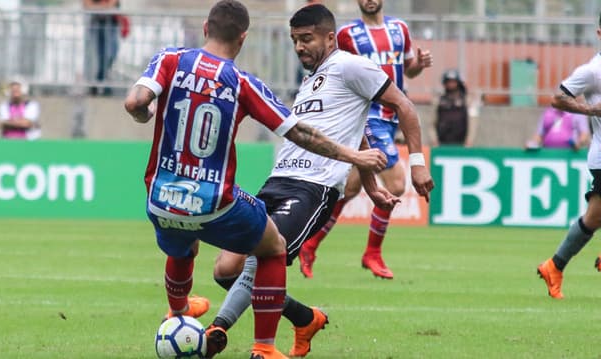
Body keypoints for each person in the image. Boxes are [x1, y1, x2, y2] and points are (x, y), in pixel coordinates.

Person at [123, 1, 389, 358]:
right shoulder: (242, 83)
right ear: (243, 38)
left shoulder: (169, 59)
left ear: (205, 27)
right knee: (272, 246)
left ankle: (178, 311)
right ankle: (264, 347)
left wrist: (145, 113)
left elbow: (136, 102)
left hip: (160, 198)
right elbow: (300, 134)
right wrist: (355, 157)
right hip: (214, 201)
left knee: (184, 241)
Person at [207, 4, 434, 358]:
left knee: (264, 254)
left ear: (330, 37)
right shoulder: (312, 79)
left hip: (314, 188)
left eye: (306, 39)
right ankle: (304, 318)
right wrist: (372, 186)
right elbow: (353, 129)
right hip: (277, 181)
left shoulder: (351, 65)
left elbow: (404, 105)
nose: (299, 47)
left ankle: (226, 333)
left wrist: (417, 163)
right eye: (295, 40)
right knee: (225, 271)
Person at [299, 0, 433, 279]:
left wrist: (418, 65)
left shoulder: (400, 29)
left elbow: (407, 70)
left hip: (392, 117)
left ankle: (310, 244)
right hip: (367, 115)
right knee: (396, 183)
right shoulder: (347, 34)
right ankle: (372, 252)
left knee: (350, 189)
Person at [536, 12, 601, 300]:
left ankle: (554, 266)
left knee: (594, 217)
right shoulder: (594, 71)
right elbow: (558, 98)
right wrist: (589, 110)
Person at [429, 69, 480, 147]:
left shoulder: (467, 100)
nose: (451, 84)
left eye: (453, 82)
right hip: (442, 143)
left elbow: (472, 122)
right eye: (448, 82)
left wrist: (469, 141)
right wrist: (434, 140)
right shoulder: (439, 101)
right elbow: (432, 123)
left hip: (462, 143)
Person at [83, 0, 120, 96]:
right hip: (96, 25)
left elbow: (112, 4)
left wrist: (98, 7)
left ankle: (100, 82)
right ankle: (99, 83)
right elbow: (87, 5)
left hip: (111, 25)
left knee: (110, 55)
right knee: (97, 57)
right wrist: (104, 7)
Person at [525, 106, 590, 150]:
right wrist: (532, 144)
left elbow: (584, 134)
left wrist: (579, 143)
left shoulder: (577, 113)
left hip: (570, 153)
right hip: (548, 152)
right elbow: (539, 134)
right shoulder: (548, 113)